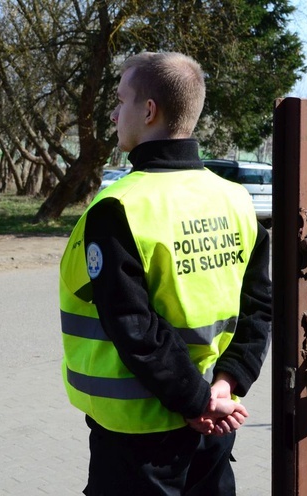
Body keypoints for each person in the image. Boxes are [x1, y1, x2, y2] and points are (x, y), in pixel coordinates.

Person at [59, 51, 272, 495]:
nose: (115, 113)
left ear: (150, 111)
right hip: (215, 425)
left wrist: (196, 404)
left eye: (121, 100)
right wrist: (223, 387)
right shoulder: (235, 200)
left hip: (139, 440)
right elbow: (259, 308)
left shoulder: (119, 207)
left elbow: (134, 327)